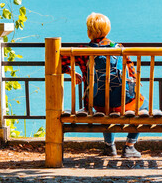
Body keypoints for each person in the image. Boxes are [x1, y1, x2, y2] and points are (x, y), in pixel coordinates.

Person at [61, 12, 145, 158]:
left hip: (96, 104)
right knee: (143, 106)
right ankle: (130, 146)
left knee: (105, 101)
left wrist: (70, 72)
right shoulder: (119, 48)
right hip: (122, 103)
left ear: (89, 32)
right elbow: (132, 74)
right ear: (108, 30)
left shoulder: (82, 51)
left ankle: (109, 146)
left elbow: (58, 61)